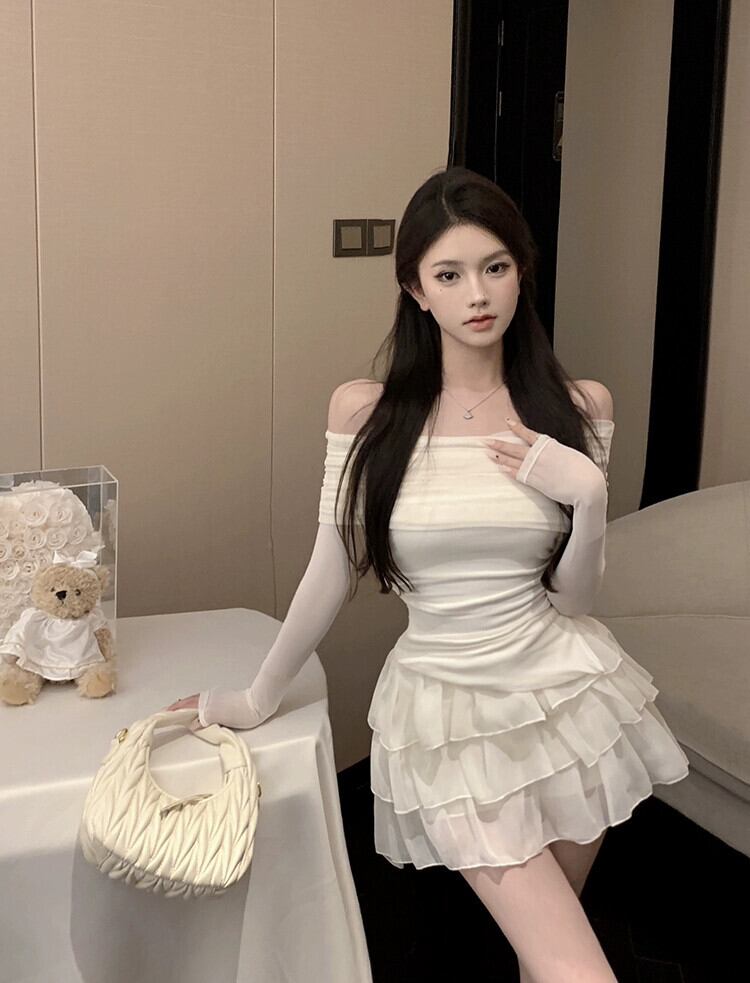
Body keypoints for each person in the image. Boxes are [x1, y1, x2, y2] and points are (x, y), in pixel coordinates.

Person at [165, 166, 689, 982]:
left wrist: (588, 497)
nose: (476, 294)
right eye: (449, 274)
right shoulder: (367, 411)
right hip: (447, 717)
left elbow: (575, 600)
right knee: (577, 966)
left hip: (569, 704)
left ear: (521, 271)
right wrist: (257, 696)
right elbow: (332, 566)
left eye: (495, 267)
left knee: (544, 956)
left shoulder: (579, 407)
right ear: (415, 288)